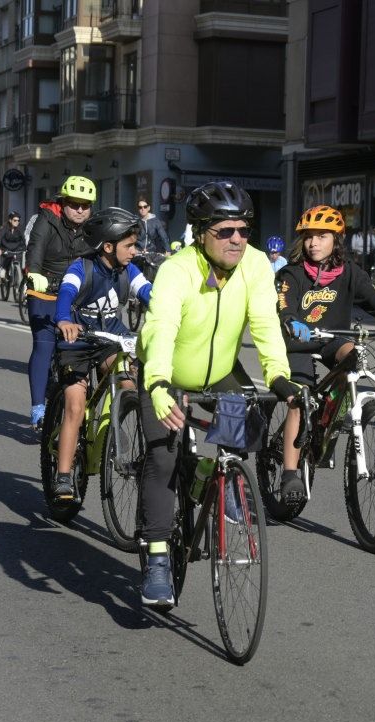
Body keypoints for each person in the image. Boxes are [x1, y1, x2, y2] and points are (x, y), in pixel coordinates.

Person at [136, 181, 299, 608]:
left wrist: (279, 378)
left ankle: (218, 477)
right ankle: (156, 557)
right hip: (167, 370)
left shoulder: (257, 265)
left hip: (220, 372)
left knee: (249, 424)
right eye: (226, 231)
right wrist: (155, 385)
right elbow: (161, 329)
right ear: (201, 232)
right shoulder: (177, 269)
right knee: (163, 455)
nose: (237, 240)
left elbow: (264, 323)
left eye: (244, 230)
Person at [274, 204, 375, 503]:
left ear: (336, 239)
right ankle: (289, 473)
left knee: (356, 355)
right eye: (309, 237)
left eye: (322, 236)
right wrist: (291, 321)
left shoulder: (350, 273)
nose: (314, 243)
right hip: (298, 342)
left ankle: (329, 416)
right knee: (299, 400)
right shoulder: (292, 273)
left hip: (331, 339)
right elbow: (284, 304)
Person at [50, 207, 153, 503]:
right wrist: (64, 321)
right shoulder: (81, 268)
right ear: (108, 247)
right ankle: (64, 476)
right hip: (78, 340)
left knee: (129, 383)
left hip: (110, 336)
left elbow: (149, 294)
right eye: (129, 245)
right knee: (75, 404)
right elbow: (66, 294)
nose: (134, 251)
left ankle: (115, 441)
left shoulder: (128, 270)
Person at [24, 176, 96, 427]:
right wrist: (34, 274)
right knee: (44, 346)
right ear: (63, 203)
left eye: (85, 205)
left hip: (76, 293)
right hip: (46, 289)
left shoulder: (93, 227)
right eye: (74, 204)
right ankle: (38, 409)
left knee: (89, 346)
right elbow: (35, 249)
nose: (79, 210)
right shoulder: (46, 219)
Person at [0, 211, 26, 281]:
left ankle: (18, 278)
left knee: (20, 258)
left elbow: (24, 238)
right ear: (10, 220)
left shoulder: (20, 228)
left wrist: (28, 247)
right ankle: (3, 268)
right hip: (6, 247)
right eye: (15, 220)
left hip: (16, 248)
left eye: (18, 220)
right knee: (7, 256)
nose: (17, 222)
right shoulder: (5, 228)